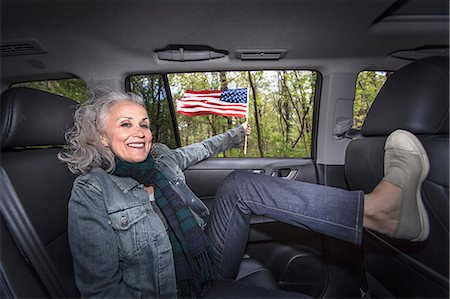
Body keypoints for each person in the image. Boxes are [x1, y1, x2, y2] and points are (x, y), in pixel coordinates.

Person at [59, 90, 430, 298]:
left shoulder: (162, 159)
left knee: (239, 183)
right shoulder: (92, 191)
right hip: (172, 292)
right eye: (126, 124)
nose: (140, 132)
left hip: (206, 260)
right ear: (100, 137)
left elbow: (202, 148)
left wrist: (236, 135)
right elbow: (100, 291)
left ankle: (379, 211)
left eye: (144, 123)